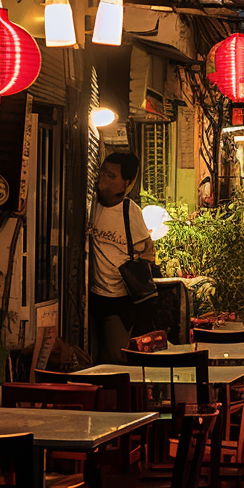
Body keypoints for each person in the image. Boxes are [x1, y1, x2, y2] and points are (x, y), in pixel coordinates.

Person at [88, 152, 154, 363]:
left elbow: (148, 253)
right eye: (103, 173)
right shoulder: (90, 206)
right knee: (91, 357)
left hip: (118, 300)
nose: (103, 180)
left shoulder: (130, 212)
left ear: (125, 183)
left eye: (111, 176)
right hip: (90, 296)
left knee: (115, 358)